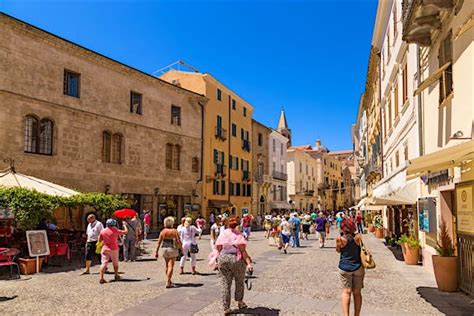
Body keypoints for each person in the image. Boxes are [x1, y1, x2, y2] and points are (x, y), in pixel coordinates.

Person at [210, 216, 253, 314]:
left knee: (225, 284)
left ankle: (226, 308)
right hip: (236, 259)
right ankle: (240, 302)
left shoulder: (222, 234)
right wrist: (249, 263)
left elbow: (218, 248)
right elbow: (243, 251)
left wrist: (216, 260)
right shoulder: (238, 235)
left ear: (227, 225)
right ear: (236, 225)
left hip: (223, 258)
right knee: (239, 281)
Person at [336, 218, 365, 316]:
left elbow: (338, 250)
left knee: (346, 292)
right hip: (358, 267)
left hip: (344, 267)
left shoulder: (340, 239)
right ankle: (357, 314)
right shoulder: (358, 237)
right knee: (357, 293)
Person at [155, 216, 182, 288]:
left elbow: (159, 242)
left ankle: (169, 280)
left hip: (164, 249)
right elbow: (179, 241)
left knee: (167, 265)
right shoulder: (174, 231)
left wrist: (156, 251)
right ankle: (168, 282)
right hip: (172, 248)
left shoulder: (163, 231)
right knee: (171, 266)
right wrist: (181, 249)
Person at [99, 219, 127, 284]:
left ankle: (101, 278)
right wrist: (124, 225)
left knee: (104, 263)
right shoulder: (115, 230)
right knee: (115, 263)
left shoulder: (103, 231)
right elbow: (125, 232)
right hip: (114, 249)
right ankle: (116, 275)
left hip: (105, 248)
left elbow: (99, 240)